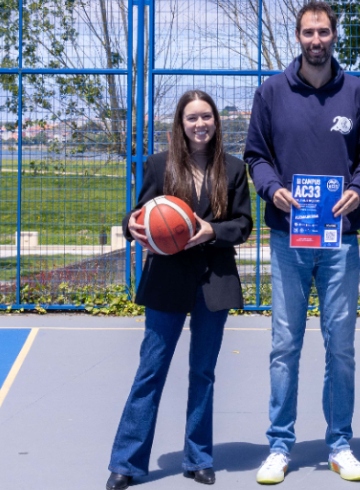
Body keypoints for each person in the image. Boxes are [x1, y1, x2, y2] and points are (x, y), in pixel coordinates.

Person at [244, 1, 360, 484]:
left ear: (334, 35)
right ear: (298, 36)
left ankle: (340, 443)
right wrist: (272, 189)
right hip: (288, 237)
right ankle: (280, 445)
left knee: (340, 346)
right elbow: (256, 155)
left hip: (340, 240)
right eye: (309, 32)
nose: (316, 40)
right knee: (285, 344)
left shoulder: (357, 93)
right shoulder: (271, 92)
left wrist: (357, 190)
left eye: (324, 32)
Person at [105, 90, 253, 490]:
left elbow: (243, 224)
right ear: (180, 124)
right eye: (192, 118)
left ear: (216, 122)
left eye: (207, 117)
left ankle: (198, 457)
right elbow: (138, 216)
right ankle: (127, 462)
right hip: (167, 279)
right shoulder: (158, 165)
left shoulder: (234, 170)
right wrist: (130, 225)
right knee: (150, 371)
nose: (200, 124)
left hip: (214, 281)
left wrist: (211, 231)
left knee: (202, 373)